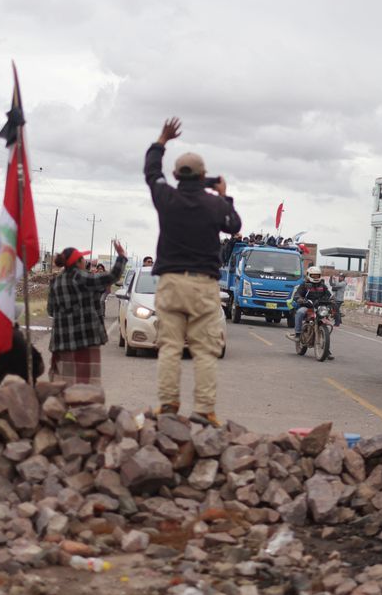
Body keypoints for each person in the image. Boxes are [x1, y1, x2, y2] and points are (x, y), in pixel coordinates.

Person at [145, 117, 242, 428]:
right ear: (204, 177)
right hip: (203, 285)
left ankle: (168, 404)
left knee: (170, 347)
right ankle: (203, 409)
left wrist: (162, 140)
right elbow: (234, 225)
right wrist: (223, 195)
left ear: (175, 175)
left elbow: (151, 172)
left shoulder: (166, 197)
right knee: (204, 350)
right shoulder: (213, 204)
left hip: (171, 282)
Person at [48, 242, 127, 385]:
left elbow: (50, 310)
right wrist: (121, 256)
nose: (86, 261)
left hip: (61, 342)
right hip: (85, 340)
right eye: (83, 259)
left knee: (62, 386)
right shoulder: (83, 278)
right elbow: (112, 277)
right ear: (78, 262)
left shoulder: (55, 282)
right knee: (86, 388)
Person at [288, 266, 331, 340]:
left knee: (327, 313)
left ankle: (325, 344)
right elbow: (297, 294)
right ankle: (298, 333)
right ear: (308, 275)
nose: (315, 277)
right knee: (300, 312)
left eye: (317, 275)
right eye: (313, 275)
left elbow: (328, 294)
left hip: (319, 306)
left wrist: (331, 300)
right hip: (307, 306)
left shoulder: (322, 285)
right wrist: (300, 299)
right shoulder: (304, 285)